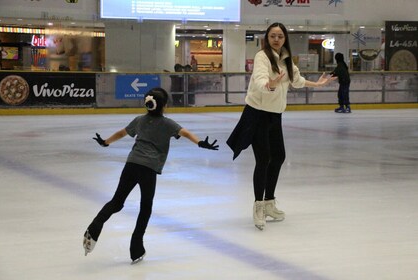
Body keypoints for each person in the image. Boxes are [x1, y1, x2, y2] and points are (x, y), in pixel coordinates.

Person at [83, 87, 219, 264]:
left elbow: (121, 133)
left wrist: (105, 142)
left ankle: (95, 226)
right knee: (145, 208)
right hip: (148, 169)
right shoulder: (168, 124)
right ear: (165, 106)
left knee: (117, 202)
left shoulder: (139, 120)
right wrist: (200, 143)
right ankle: (136, 247)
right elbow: (185, 133)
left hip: (131, 165)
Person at [226, 22, 336, 230]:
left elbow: (296, 80)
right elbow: (259, 79)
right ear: (267, 38)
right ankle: (258, 206)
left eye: (280, 36)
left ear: (285, 39)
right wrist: (270, 84)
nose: (276, 39)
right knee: (263, 159)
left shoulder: (285, 58)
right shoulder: (262, 57)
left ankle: (269, 203)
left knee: (278, 157)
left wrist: (318, 84)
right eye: (272, 36)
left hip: (275, 114)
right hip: (257, 114)